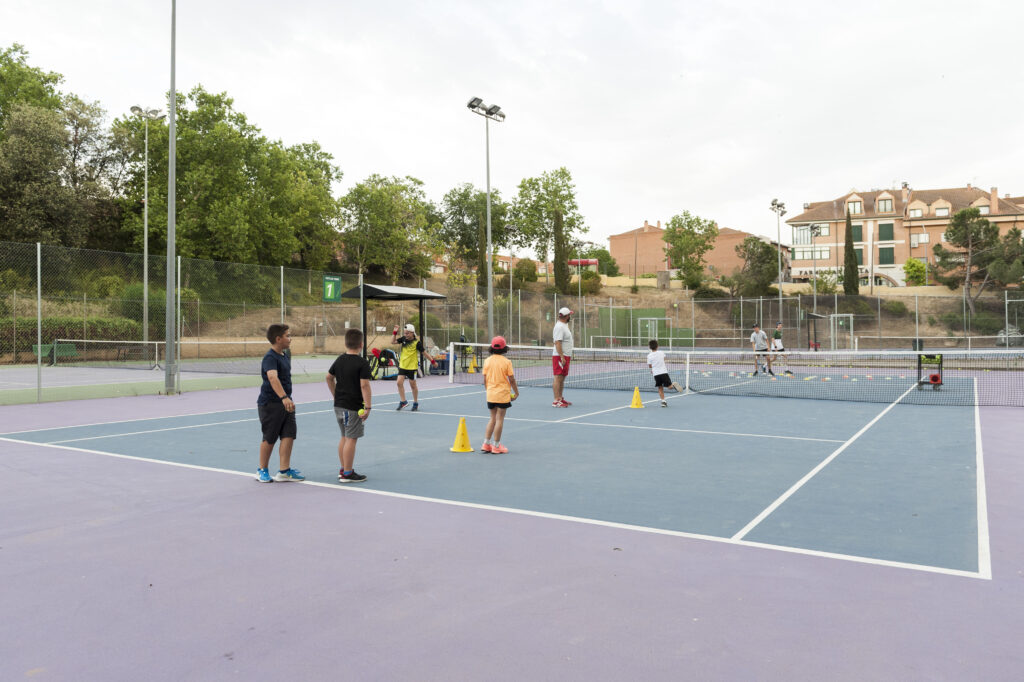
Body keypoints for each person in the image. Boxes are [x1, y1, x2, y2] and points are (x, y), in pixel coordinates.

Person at [256, 323, 304, 483]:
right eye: (287, 336)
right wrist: (284, 398)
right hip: (271, 403)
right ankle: (262, 469)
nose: (290, 339)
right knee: (269, 438)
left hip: (286, 403)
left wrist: (287, 399)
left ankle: (284, 471)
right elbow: (272, 377)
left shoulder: (285, 355)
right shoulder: (270, 357)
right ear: (278, 339)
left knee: (289, 435)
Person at [327, 328, 372, 483]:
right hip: (352, 407)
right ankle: (347, 473)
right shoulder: (362, 363)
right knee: (351, 439)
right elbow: (364, 385)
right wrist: (368, 407)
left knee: (345, 437)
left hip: (339, 406)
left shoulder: (340, 359)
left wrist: (335, 395)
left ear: (346, 343)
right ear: (361, 344)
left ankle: (344, 468)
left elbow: (328, 377)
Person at [481, 336, 519, 454]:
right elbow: (511, 379)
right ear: (504, 349)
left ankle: (486, 444)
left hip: (490, 394)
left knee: (492, 418)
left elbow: (485, 379)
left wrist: (489, 390)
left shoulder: (487, 361)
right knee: (499, 420)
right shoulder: (507, 362)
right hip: (502, 395)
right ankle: (496, 446)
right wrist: (516, 392)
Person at [392, 323, 437, 411]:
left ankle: (415, 403)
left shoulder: (417, 343)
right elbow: (393, 342)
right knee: (399, 383)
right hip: (403, 366)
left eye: (408, 333)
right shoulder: (403, 339)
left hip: (412, 367)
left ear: (412, 333)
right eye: (405, 333)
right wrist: (394, 332)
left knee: (413, 385)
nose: (406, 335)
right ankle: (403, 401)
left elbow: (425, 353)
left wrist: (432, 361)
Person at [646, 340, 683, 407]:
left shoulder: (649, 356)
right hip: (663, 372)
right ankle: (664, 401)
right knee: (669, 387)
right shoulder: (661, 353)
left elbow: (650, 366)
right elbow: (664, 359)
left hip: (656, 374)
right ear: (657, 346)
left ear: (649, 347)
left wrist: (654, 368)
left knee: (660, 388)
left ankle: (664, 399)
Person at [552, 307, 574, 407]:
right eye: (569, 315)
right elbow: (557, 342)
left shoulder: (564, 325)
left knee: (562, 377)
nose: (570, 316)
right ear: (566, 316)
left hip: (566, 355)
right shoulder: (559, 327)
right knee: (558, 377)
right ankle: (556, 400)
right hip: (560, 356)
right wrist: (562, 356)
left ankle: (560, 398)